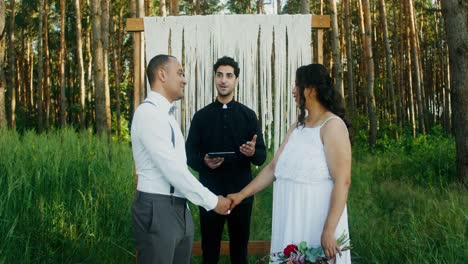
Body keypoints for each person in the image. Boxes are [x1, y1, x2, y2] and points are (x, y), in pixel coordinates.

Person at [228, 64, 352, 263]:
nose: (294, 91)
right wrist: (241, 195)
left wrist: (329, 231)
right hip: (289, 219)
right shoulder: (297, 127)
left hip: (316, 221)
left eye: (297, 85)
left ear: (311, 89)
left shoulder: (332, 126)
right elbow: (273, 169)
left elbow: (343, 181)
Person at [130, 54, 232, 264]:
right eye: (180, 73)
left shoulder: (168, 117)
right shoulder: (148, 113)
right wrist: (213, 202)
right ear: (162, 75)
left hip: (179, 207)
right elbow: (172, 171)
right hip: (157, 207)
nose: (184, 79)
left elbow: (179, 169)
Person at [186, 56, 267, 264]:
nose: (224, 80)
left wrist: (251, 153)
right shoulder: (201, 117)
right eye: (220, 75)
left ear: (236, 80)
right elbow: (189, 155)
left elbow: (261, 156)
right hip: (209, 194)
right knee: (209, 251)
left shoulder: (248, 115)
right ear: (214, 78)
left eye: (229, 75)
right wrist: (203, 161)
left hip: (241, 194)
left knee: (240, 252)